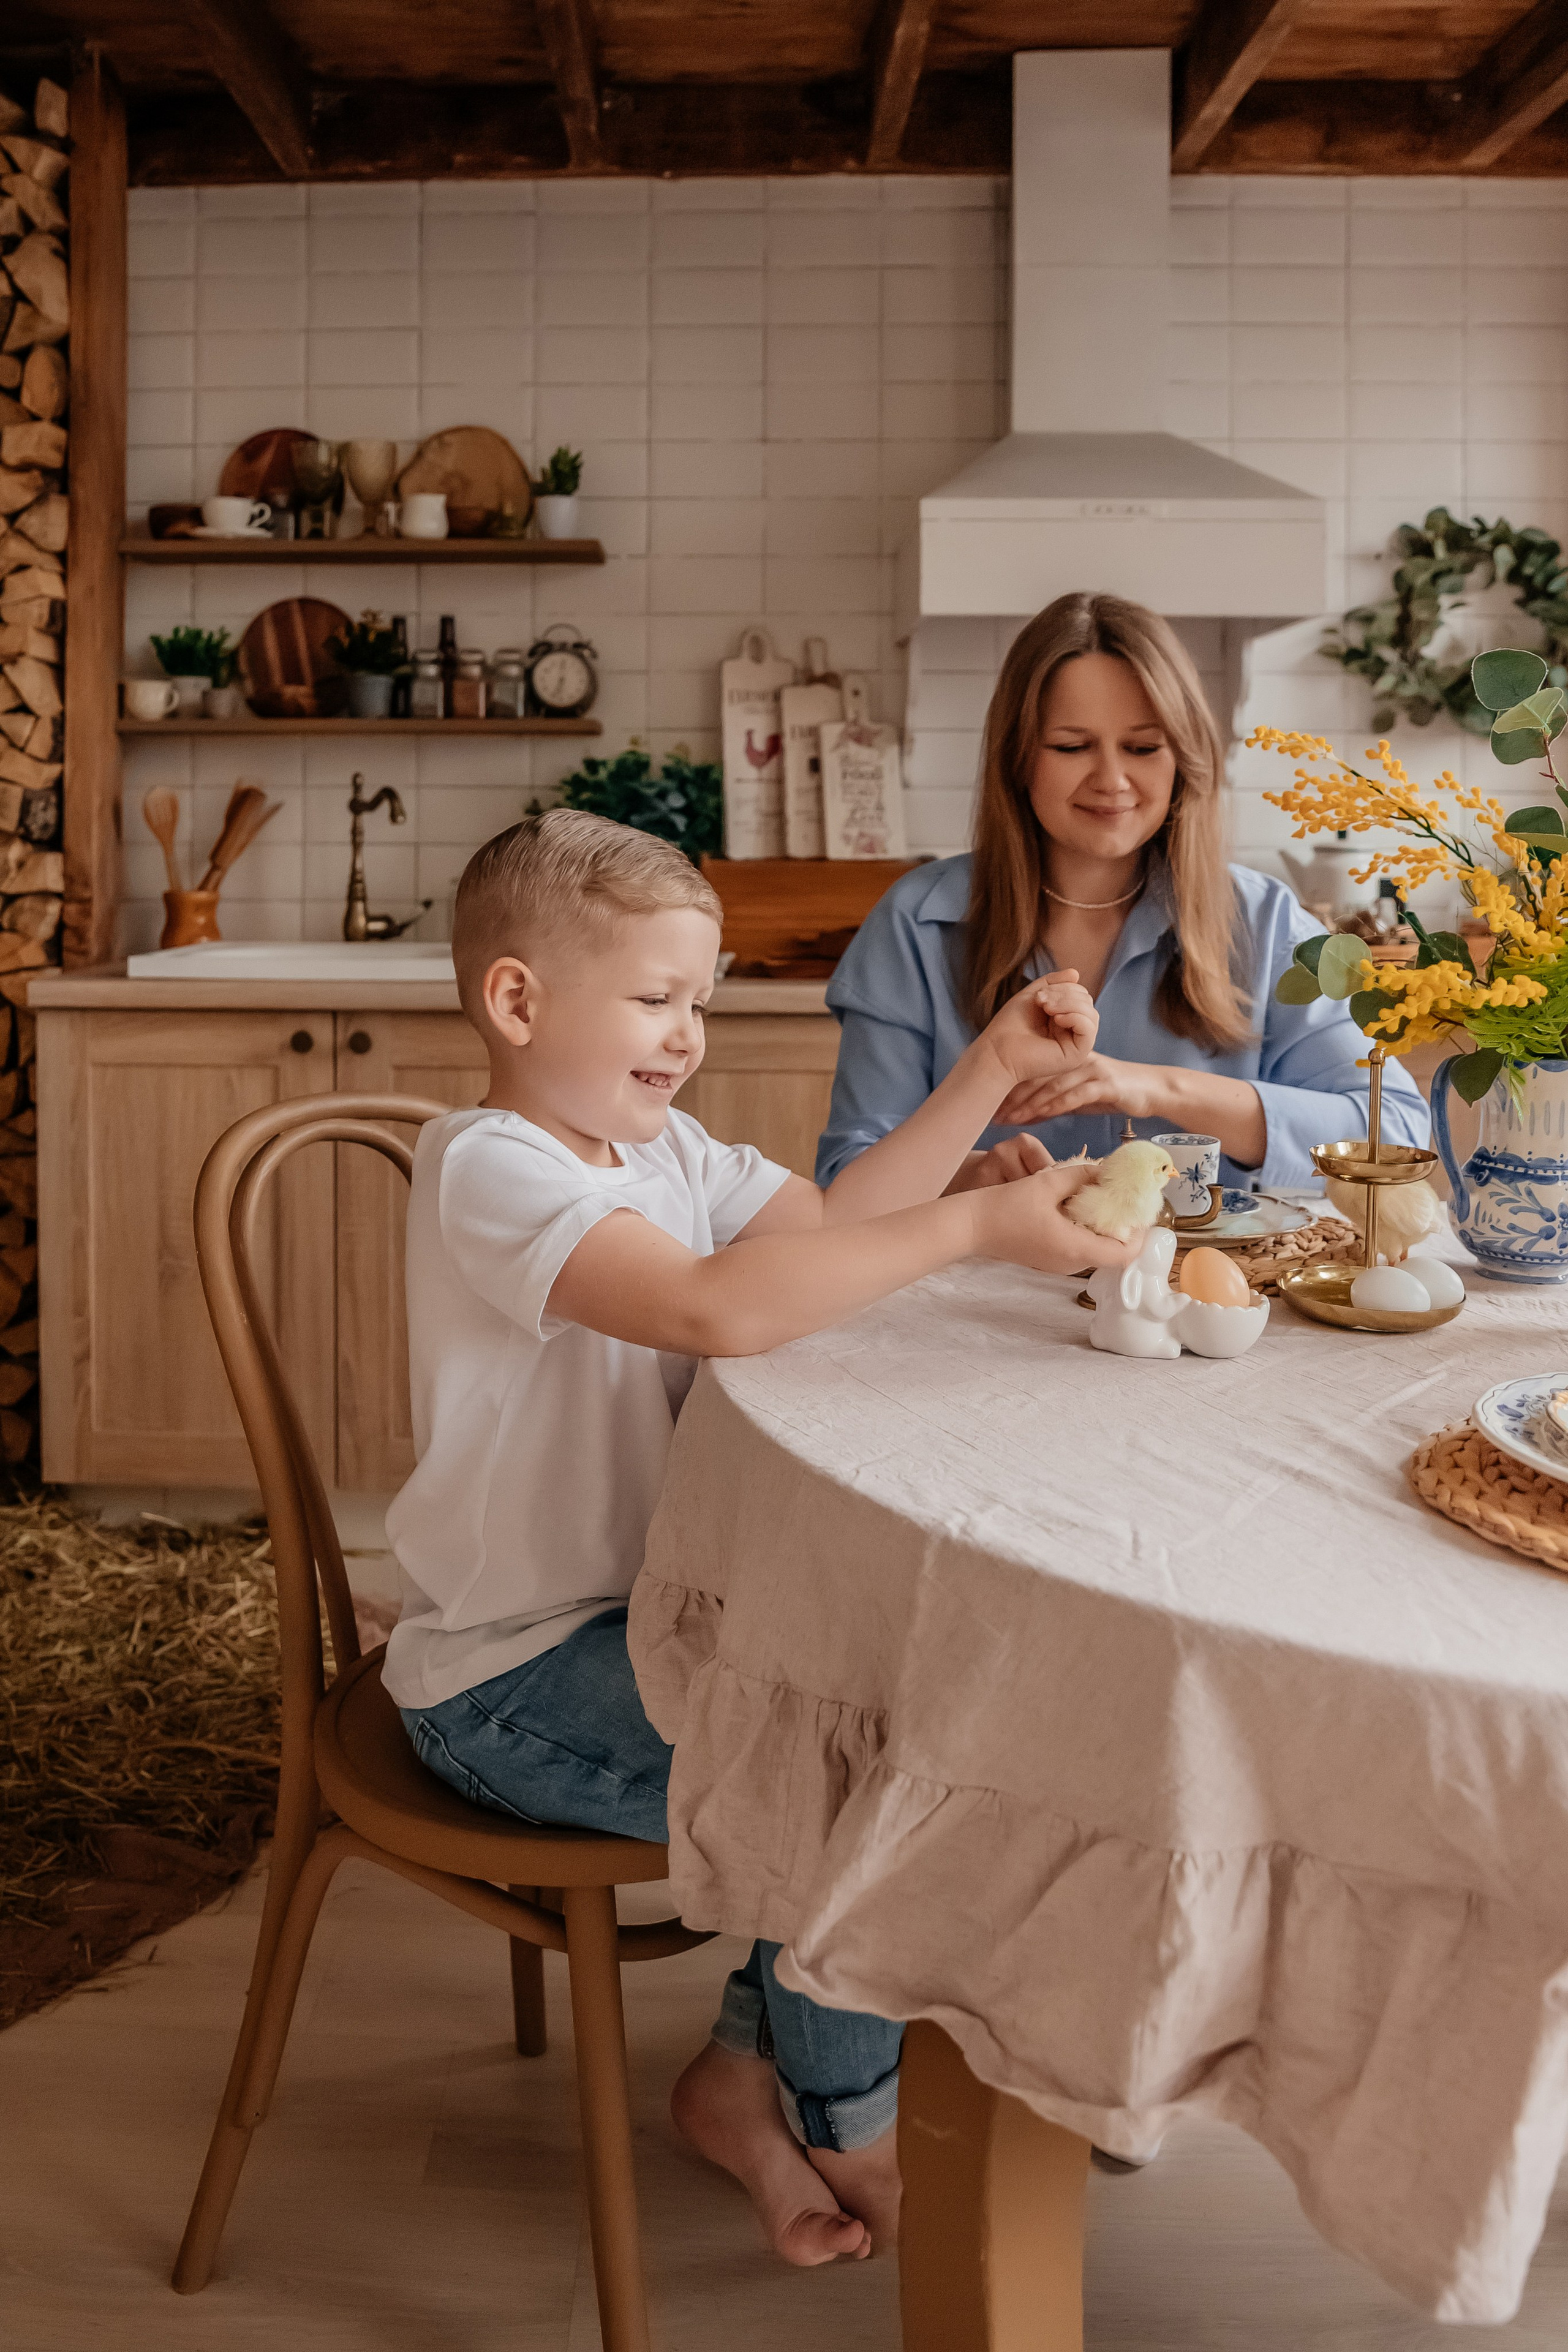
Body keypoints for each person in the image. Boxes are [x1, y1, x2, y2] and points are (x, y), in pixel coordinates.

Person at [381, 809, 1135, 2268]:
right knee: (854, 1783)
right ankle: (842, 2116)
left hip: (655, 1622)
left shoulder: (664, 1149)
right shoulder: (493, 1165)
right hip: (506, 1677)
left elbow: (836, 1222)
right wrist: (974, 1237)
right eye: (655, 999)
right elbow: (717, 1307)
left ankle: (736, 2077)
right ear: (517, 998)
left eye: (699, 1003)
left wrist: (986, 1072)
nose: (685, 1035)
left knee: (884, 1724)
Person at [817, 590, 1427, 1193]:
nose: (1111, 780)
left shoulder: (1264, 921)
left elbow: (1394, 1135)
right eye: (1072, 747)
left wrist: (1157, 1089)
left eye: (1141, 748)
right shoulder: (914, 924)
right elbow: (850, 1178)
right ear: (1017, 757)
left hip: (1208, 1289)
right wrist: (975, 1176)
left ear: (1183, 759)